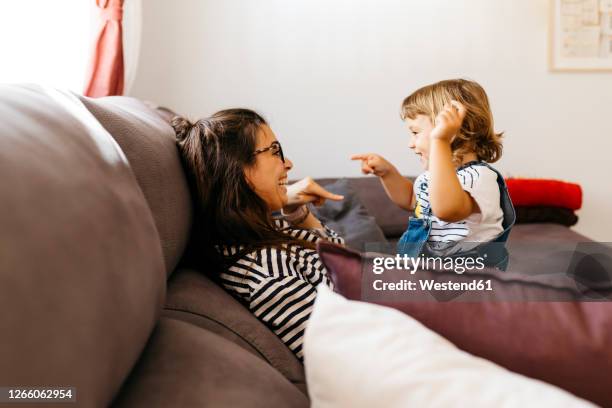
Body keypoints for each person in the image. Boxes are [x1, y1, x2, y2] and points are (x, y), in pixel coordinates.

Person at [172, 108, 344, 360]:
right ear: (237, 168)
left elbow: (341, 261)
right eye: (275, 151)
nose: (288, 163)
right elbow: (344, 353)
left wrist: (297, 212)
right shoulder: (268, 274)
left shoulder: (261, 233)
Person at [352, 79, 515, 265]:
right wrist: (387, 173)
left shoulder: (478, 178)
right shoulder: (431, 176)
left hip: (465, 279)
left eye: (415, 133)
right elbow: (411, 200)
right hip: (428, 270)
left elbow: (447, 210)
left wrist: (440, 141)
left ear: (452, 132)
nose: (410, 144)